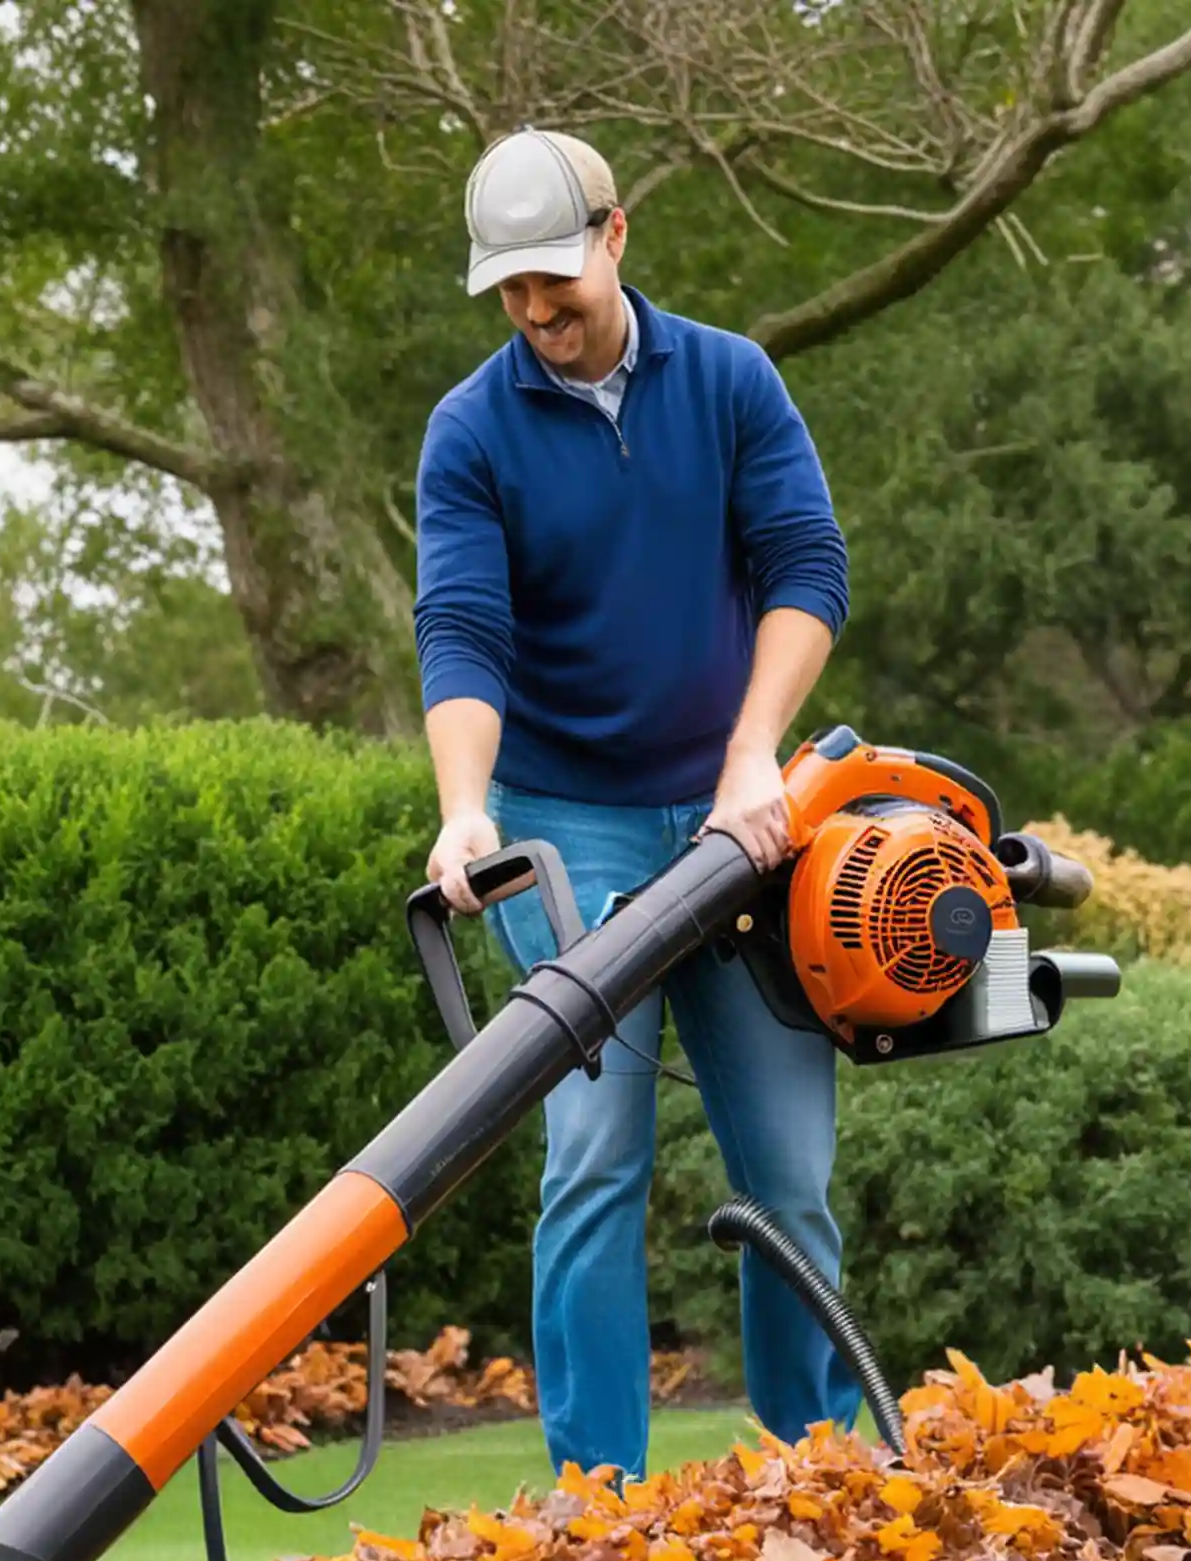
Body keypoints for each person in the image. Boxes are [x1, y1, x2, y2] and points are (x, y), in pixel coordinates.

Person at [412, 127, 860, 1482]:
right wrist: (466, 806)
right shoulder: (472, 431)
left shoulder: (729, 382)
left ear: (616, 237)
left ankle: (812, 1482)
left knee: (788, 1176)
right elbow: (464, 630)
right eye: (513, 295)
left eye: (558, 282)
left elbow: (807, 567)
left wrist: (751, 760)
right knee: (593, 1164)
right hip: (569, 837)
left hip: (738, 829)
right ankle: (595, 1506)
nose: (540, 316)